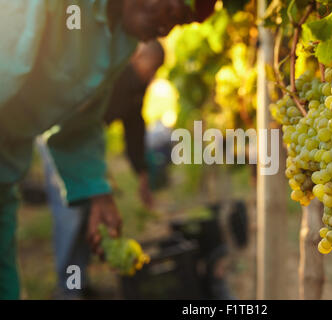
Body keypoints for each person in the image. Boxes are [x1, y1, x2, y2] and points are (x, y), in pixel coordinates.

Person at [0, 0, 211, 300]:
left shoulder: (120, 42)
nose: (164, 28)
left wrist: (98, 191)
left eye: (176, 23)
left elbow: (81, 123)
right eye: (172, 9)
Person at [35, 40, 165, 299]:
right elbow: (75, 117)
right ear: (139, 57)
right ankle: (66, 289)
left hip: (83, 146)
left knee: (87, 217)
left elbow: (135, 129)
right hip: (60, 137)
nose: (153, 74)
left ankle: (78, 282)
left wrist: (141, 174)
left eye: (157, 69)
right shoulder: (115, 74)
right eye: (152, 66)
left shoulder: (137, 89)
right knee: (70, 214)